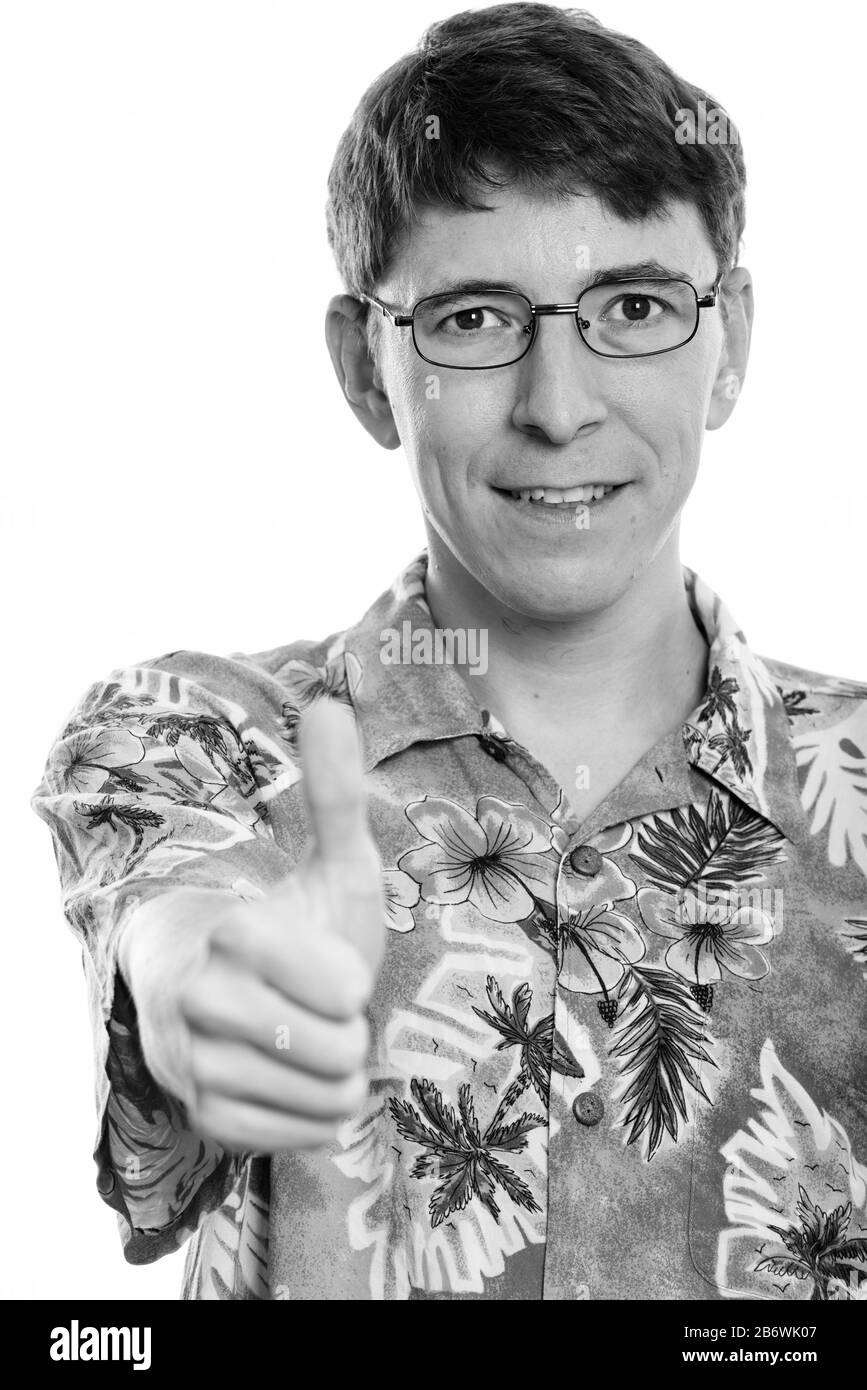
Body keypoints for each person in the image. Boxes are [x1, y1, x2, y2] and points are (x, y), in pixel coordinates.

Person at [31, 3, 867, 1302]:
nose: (558, 404)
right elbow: (178, 930)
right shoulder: (207, 734)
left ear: (732, 340)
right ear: (369, 370)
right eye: (476, 319)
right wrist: (212, 995)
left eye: (633, 304)